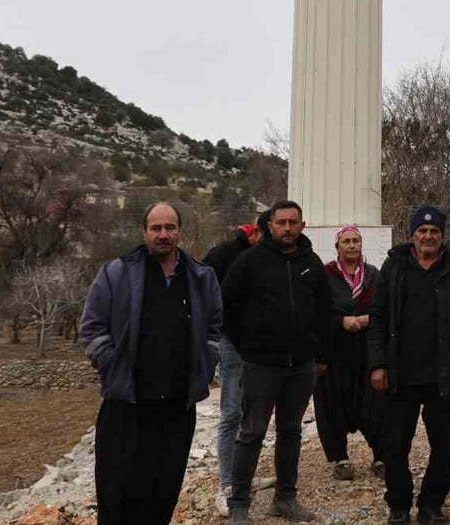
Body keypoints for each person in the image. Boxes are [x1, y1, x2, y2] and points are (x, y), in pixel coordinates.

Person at [79, 201, 222, 525]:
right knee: (118, 494)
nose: (163, 234)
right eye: (156, 228)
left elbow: (214, 326)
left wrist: (208, 359)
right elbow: (91, 326)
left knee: (163, 491)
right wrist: (110, 364)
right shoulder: (116, 273)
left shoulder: (201, 276)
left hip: (177, 406)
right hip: (126, 404)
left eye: (170, 227)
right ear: (144, 231)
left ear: (179, 231)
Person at [367, 206, 450, 525]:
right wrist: (377, 363)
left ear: (442, 236)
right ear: (412, 234)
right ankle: (398, 505)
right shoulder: (394, 266)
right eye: (422, 231)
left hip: (443, 375)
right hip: (401, 374)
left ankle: (431, 505)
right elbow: (377, 317)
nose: (428, 236)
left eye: (434, 232)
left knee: (443, 445)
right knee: (395, 444)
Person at [221, 200, 332, 523]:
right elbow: (227, 308)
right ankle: (239, 503)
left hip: (301, 366)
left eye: (292, 222)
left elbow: (325, 313)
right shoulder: (249, 262)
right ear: (269, 225)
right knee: (251, 431)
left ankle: (285, 498)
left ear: (302, 225)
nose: (287, 228)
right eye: (281, 222)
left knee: (291, 431)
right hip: (260, 365)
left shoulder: (312, 263)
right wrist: (247, 349)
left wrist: (321, 355)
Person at [202, 217, 265, 517]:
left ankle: (244, 477)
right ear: (257, 233)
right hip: (232, 344)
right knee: (231, 413)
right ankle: (227, 484)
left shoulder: (266, 258)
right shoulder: (224, 256)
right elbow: (206, 296)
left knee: (253, 416)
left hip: (260, 349)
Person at [314, 225, 385, 480]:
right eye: (346, 241)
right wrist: (340, 320)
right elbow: (317, 312)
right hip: (335, 354)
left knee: (377, 405)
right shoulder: (325, 276)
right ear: (337, 247)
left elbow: (385, 308)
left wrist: (367, 320)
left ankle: (381, 456)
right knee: (333, 406)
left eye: (356, 241)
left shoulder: (375, 276)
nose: (352, 245)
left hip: (368, 353)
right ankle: (340, 458)